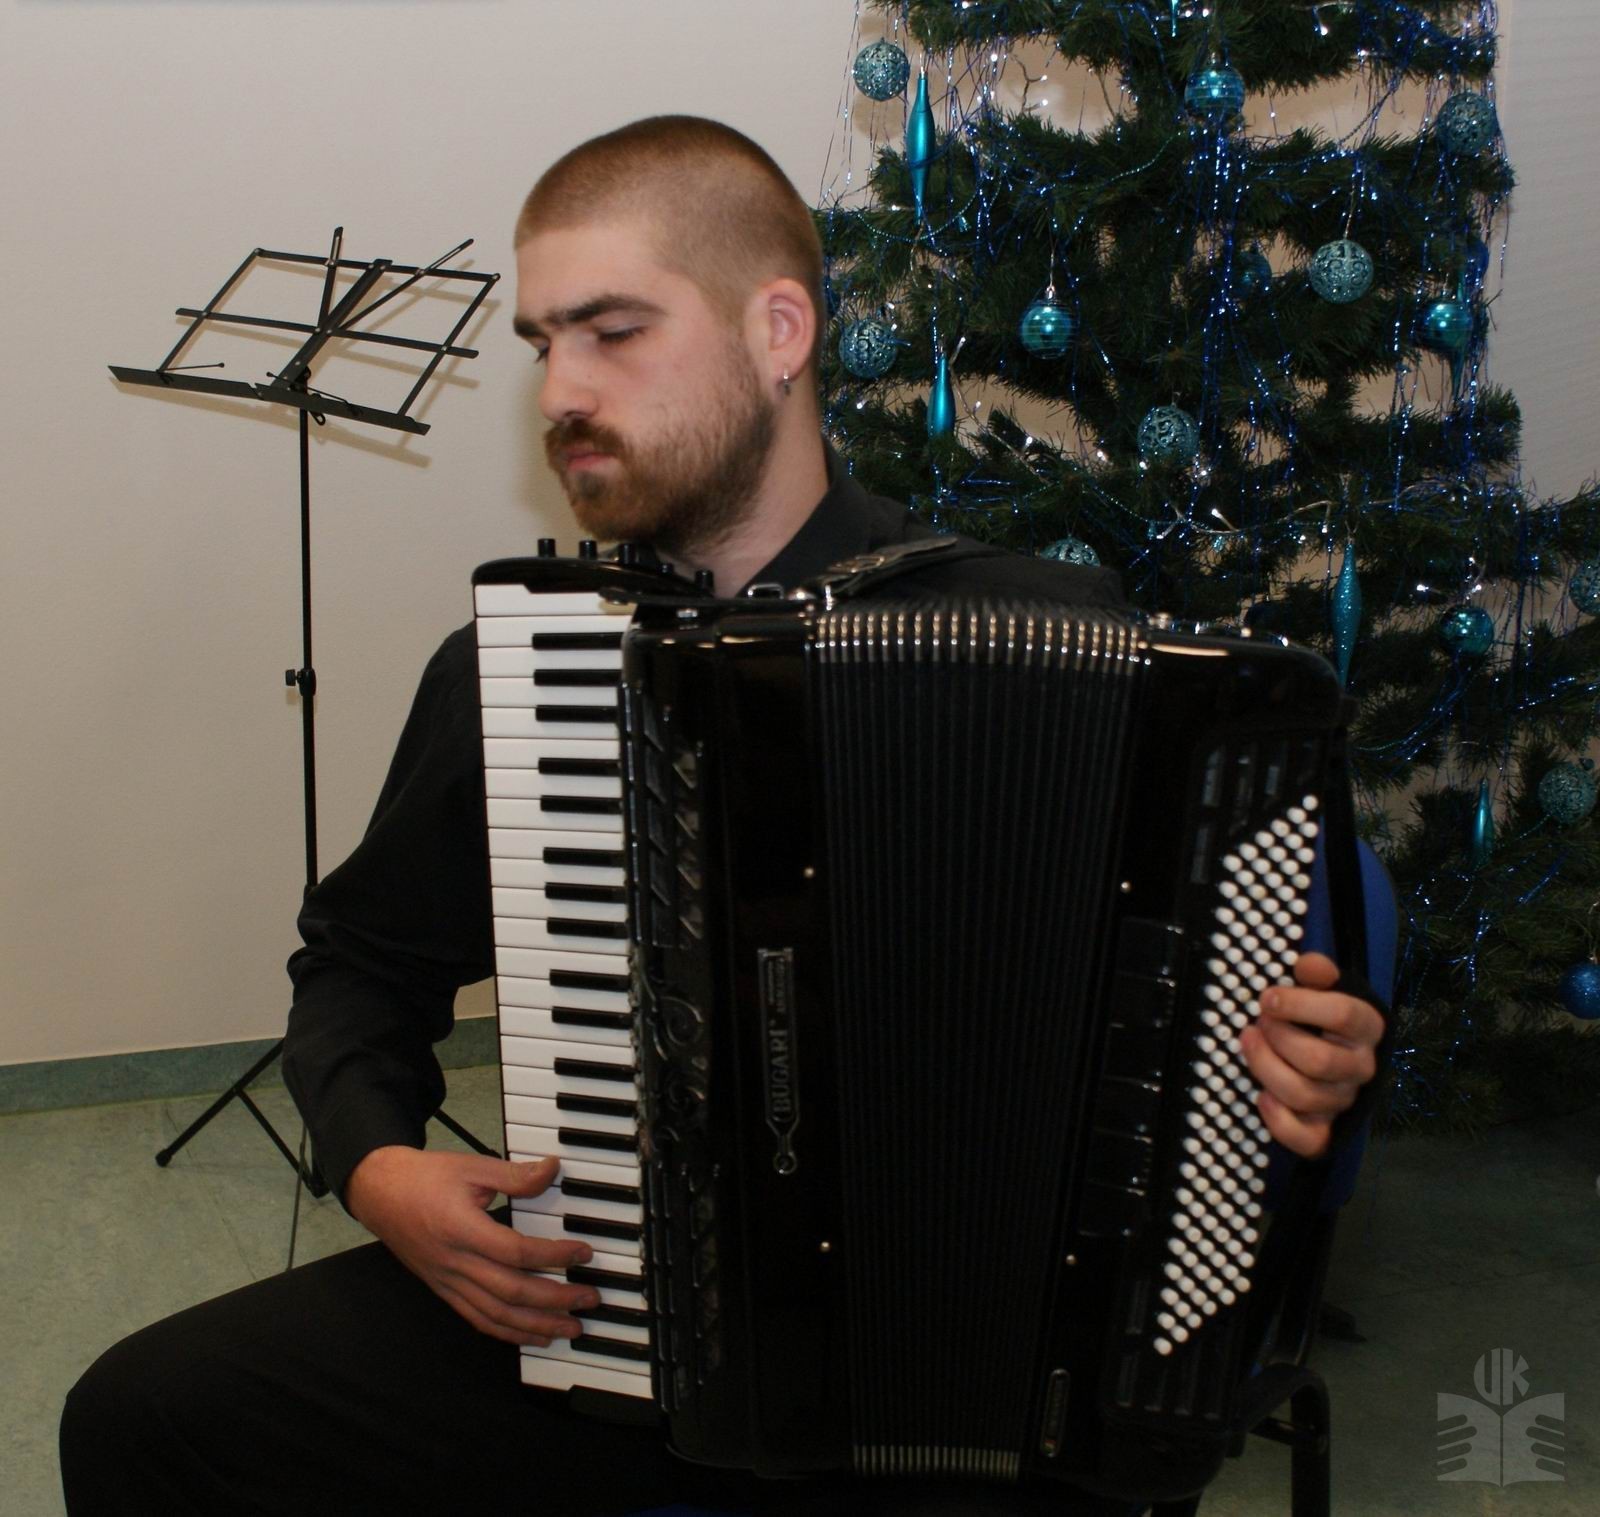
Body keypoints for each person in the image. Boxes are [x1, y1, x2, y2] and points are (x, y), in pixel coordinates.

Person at [60, 116, 1386, 1517]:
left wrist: (1310, 1058)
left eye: (612, 332)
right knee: (142, 1419)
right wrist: (382, 1168)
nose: (560, 391)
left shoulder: (1060, 639)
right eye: (542, 344)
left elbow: (1239, 1040)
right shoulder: (523, 678)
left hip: (997, 1369)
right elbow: (358, 964)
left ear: (778, 331)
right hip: (622, 1325)